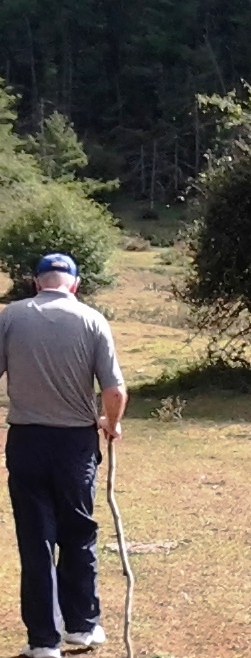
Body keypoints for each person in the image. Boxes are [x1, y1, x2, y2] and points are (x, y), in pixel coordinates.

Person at [0, 253, 127, 658]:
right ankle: (82, 626)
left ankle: (42, 641)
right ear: (73, 284)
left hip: (26, 440)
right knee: (78, 533)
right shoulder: (92, 320)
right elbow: (114, 391)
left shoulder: (9, 317)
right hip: (75, 444)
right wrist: (111, 421)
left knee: (36, 540)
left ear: (37, 282)